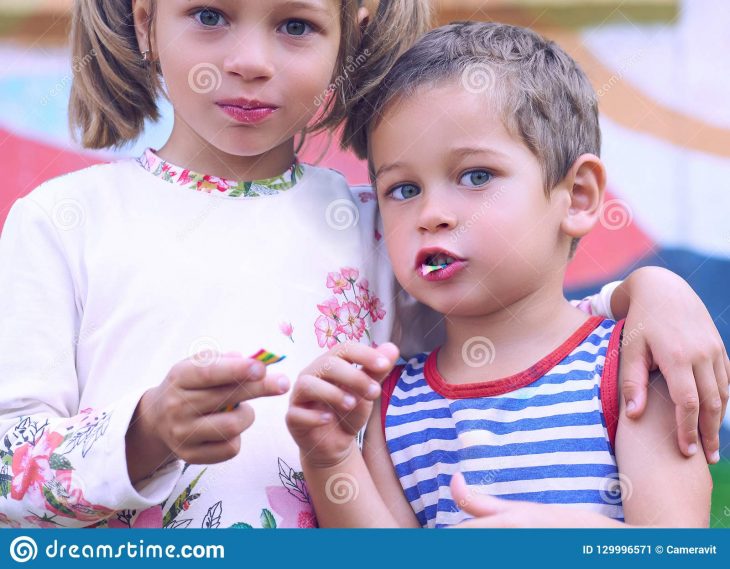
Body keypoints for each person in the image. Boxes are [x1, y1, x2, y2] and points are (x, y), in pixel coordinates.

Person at [0, 1, 724, 529]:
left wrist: (649, 291)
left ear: (350, 35)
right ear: (144, 22)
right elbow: (7, 463)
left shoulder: (387, 225)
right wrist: (147, 429)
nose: (250, 60)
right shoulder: (63, 223)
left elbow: (521, 322)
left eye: (295, 25)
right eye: (210, 15)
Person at [287, 22, 719, 528]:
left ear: (577, 196)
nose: (432, 213)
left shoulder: (632, 370)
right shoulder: (391, 409)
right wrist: (331, 459)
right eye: (403, 189)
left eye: (475, 176)